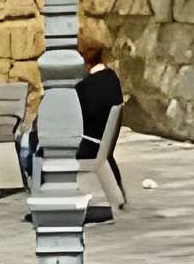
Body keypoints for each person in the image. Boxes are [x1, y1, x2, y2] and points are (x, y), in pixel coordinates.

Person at [16, 30, 126, 218]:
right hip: (100, 144)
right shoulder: (111, 78)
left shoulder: (85, 88)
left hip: (86, 145)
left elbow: (62, 119)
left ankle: (45, 200)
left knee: (29, 143)